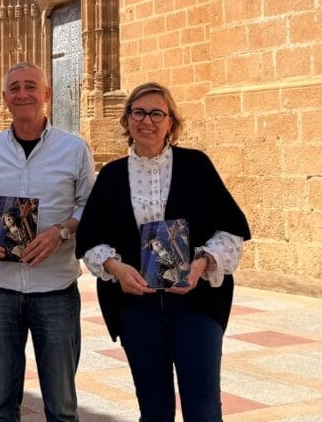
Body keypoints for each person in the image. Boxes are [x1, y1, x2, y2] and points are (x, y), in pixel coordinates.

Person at [75, 82, 251, 422]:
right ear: (127, 120)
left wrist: (201, 264)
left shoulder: (196, 165)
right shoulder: (111, 176)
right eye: (138, 112)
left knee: (203, 410)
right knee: (154, 410)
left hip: (195, 305)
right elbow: (91, 240)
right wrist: (116, 268)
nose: (147, 121)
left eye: (158, 113)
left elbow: (231, 230)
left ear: (171, 122)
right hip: (138, 308)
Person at [0, 63, 94, 422]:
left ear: (47, 94)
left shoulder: (74, 149)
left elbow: (90, 206)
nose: (22, 93)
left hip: (55, 289)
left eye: (30, 86)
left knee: (62, 407)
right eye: (14, 88)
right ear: (5, 98)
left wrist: (62, 232)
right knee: (1, 407)